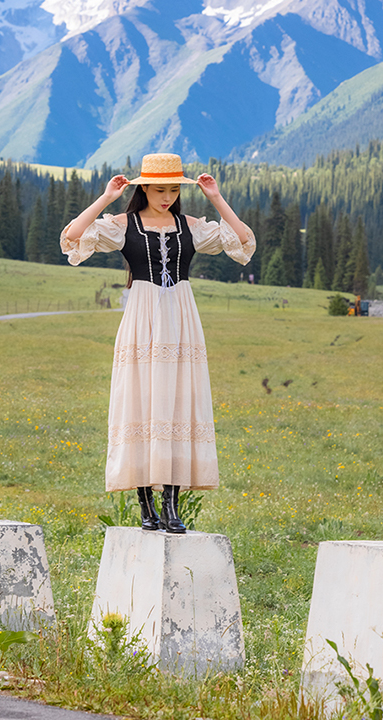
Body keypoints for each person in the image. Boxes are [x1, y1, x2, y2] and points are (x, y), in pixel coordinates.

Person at [60, 152, 255, 534]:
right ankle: (146, 504)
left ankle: (170, 504)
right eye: (158, 189)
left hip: (182, 315)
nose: (166, 196)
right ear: (144, 188)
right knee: (142, 400)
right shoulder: (123, 224)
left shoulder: (191, 225)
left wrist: (216, 197)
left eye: (172, 190)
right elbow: (72, 237)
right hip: (141, 314)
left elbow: (244, 242)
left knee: (178, 402)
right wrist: (105, 198)